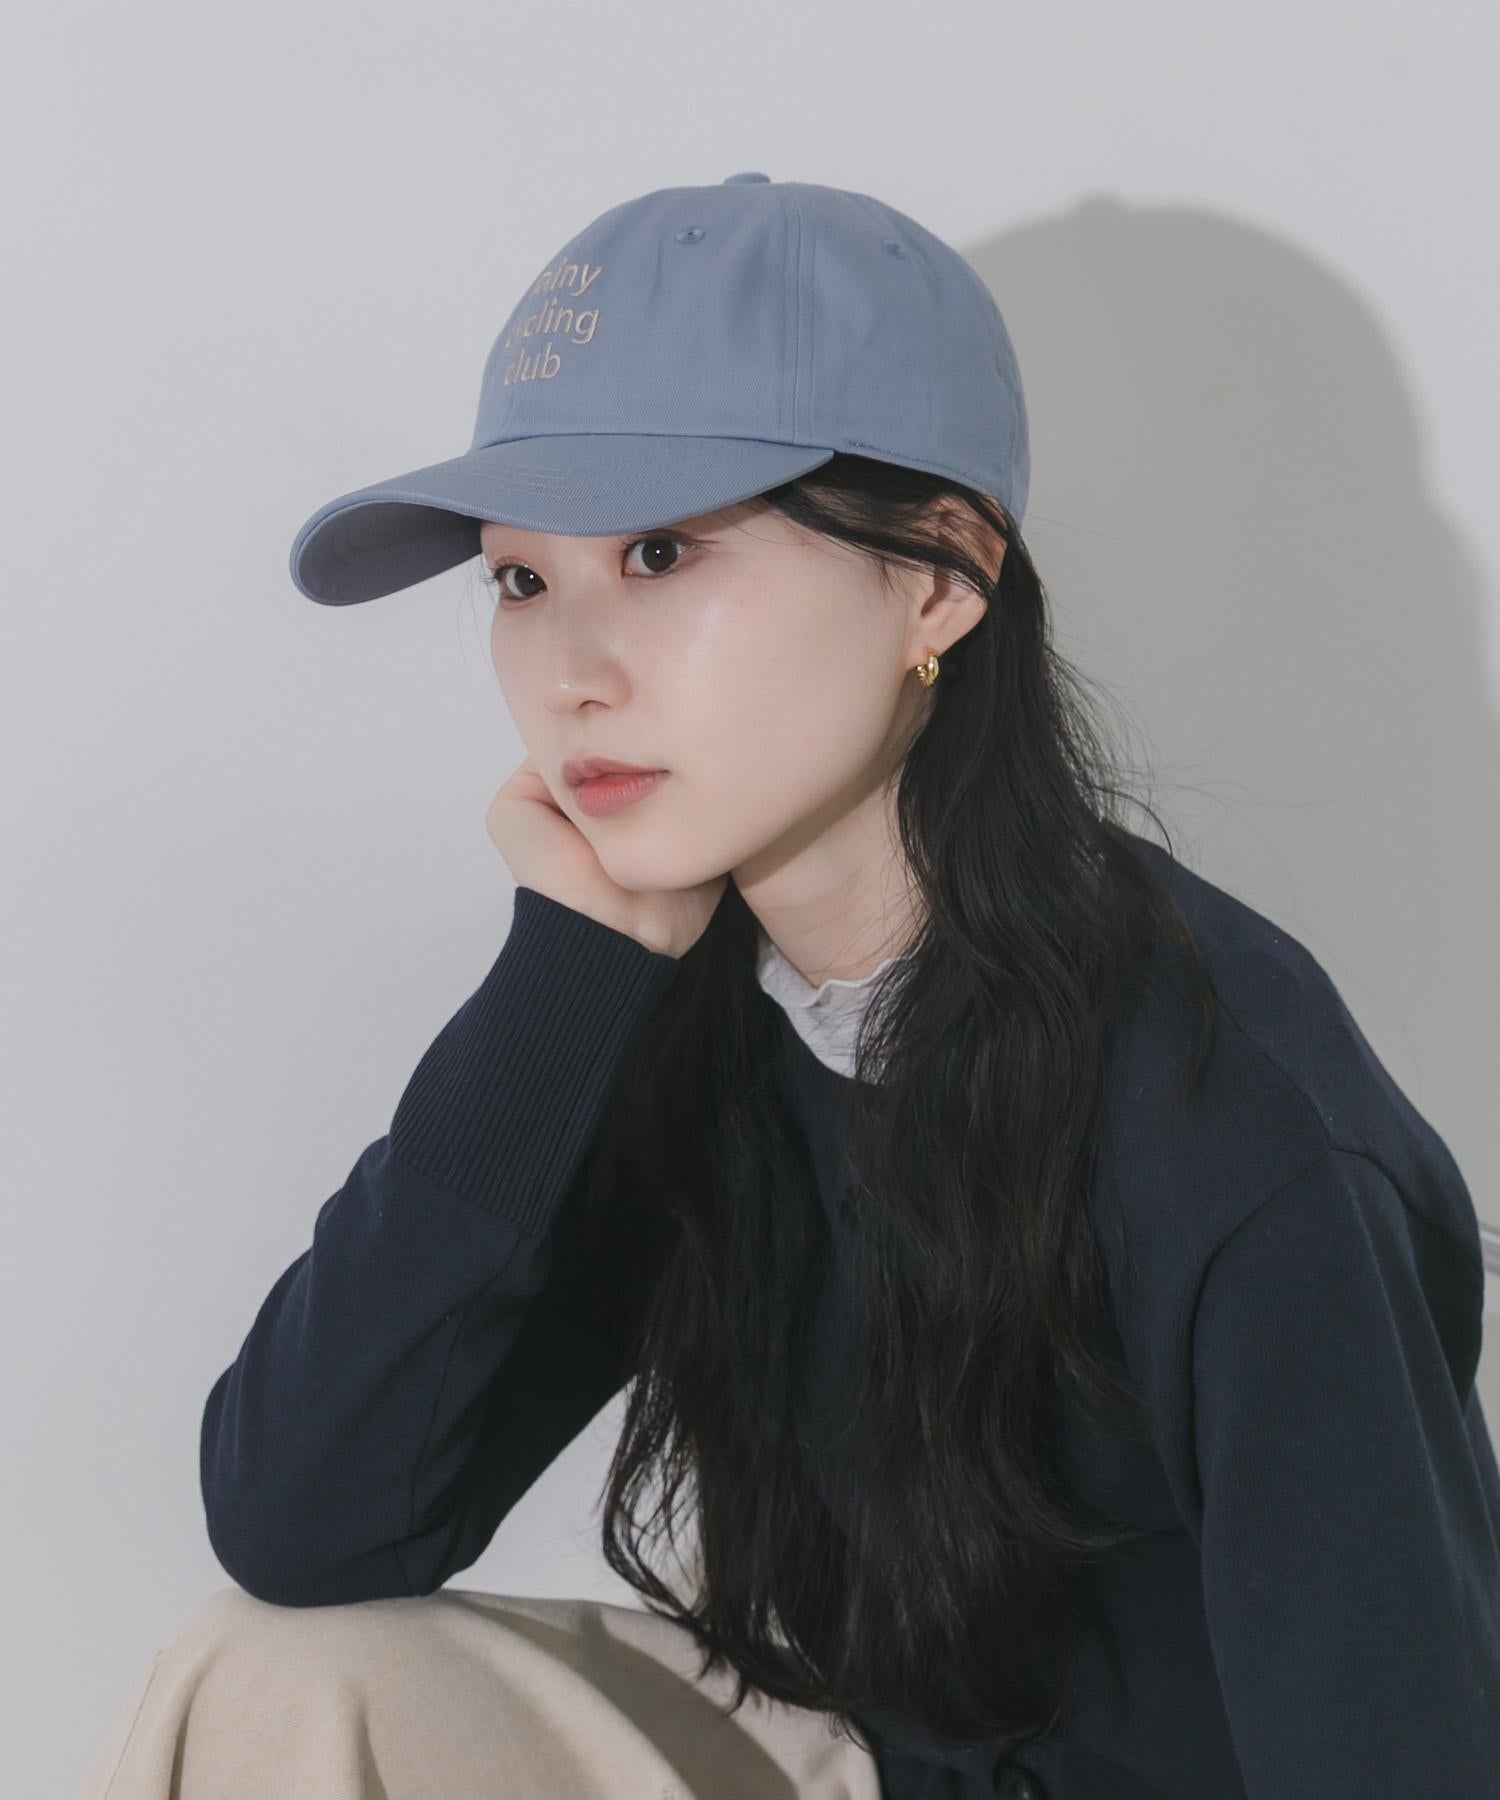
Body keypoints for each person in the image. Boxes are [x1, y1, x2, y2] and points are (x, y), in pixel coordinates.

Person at [73, 174, 1500, 1800]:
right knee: (267, 1673)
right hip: (863, 1765)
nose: (570, 673)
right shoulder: (671, 1006)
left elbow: (1406, 1749)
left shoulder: (1237, 1129)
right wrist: (560, 979)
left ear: (940, 578)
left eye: (660, 552)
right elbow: (307, 1520)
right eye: (521, 581)